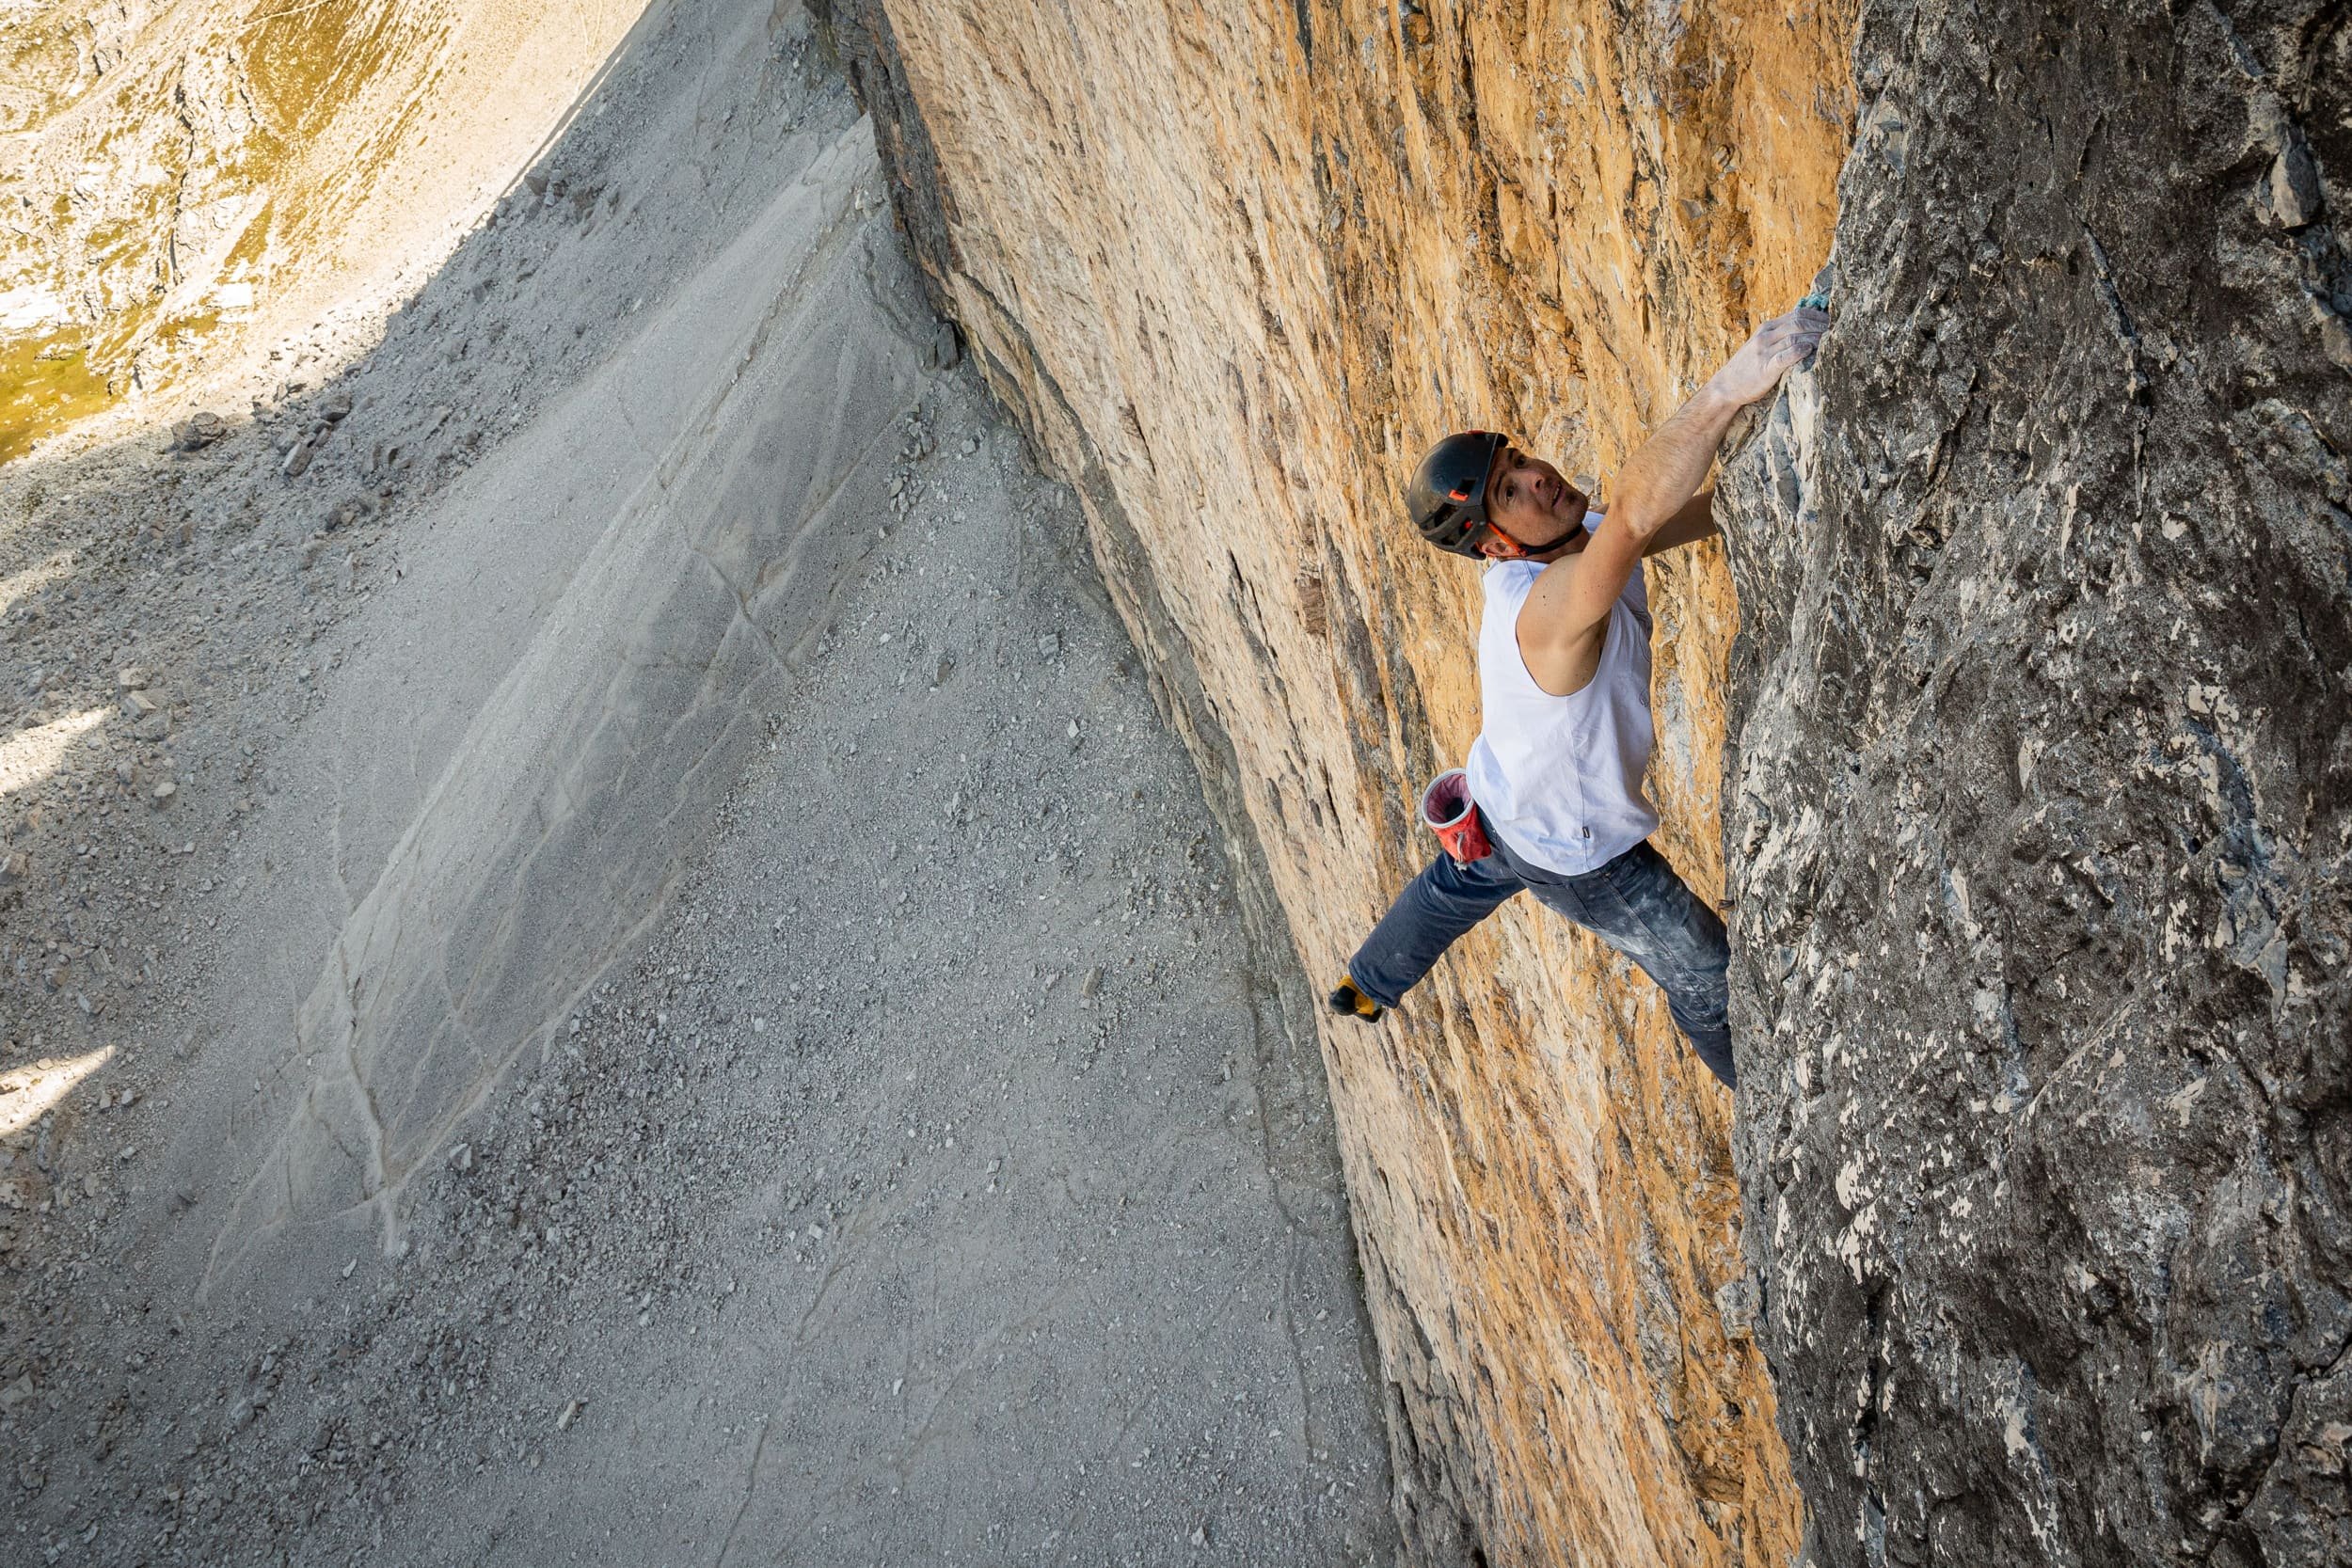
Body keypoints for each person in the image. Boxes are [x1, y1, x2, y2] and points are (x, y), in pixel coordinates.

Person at [1326, 304, 1830, 1090]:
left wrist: (1768, 488)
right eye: (1508, 490)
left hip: (1500, 796)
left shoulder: (1569, 538)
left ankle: (1367, 981)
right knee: (1705, 971)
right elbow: (1633, 516)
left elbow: (1656, 520)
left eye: (1519, 459)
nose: (1536, 476)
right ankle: (1776, 1104)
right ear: (1495, 544)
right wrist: (1730, 387)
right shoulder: (1550, 610)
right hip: (1576, 850)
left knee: (1455, 885)